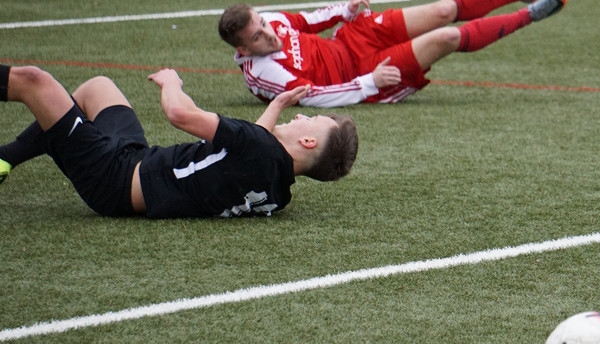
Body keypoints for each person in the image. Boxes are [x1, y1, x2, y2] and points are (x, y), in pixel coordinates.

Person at [0, 63, 358, 218]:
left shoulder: (259, 148)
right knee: (97, 88)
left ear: (309, 142)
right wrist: (278, 103)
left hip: (112, 178)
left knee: (36, 82)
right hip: (135, 163)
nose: (301, 115)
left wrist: (173, 82)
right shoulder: (279, 191)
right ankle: (7, 158)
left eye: (309, 119)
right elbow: (255, 145)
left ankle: (7, 157)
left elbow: (179, 115)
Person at [218, 0, 566, 107]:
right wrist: (370, 82)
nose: (269, 33)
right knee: (446, 37)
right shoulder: (263, 75)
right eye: (258, 37)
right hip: (362, 74)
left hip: (352, 39)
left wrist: (346, 9)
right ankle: (528, 15)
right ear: (244, 50)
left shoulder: (273, 22)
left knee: (443, 10)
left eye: (262, 23)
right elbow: (316, 97)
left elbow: (309, 20)